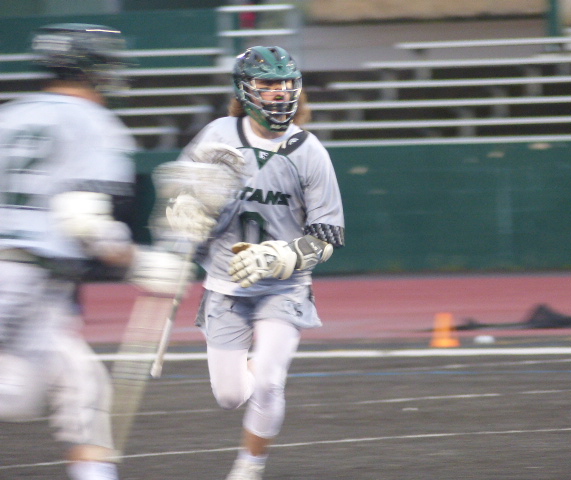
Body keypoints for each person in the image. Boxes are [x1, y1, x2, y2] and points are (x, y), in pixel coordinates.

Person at [0, 23, 186, 480]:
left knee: (78, 388)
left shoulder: (10, 115)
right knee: (49, 394)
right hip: (26, 279)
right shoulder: (92, 122)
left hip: (29, 279)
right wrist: (143, 263)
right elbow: (83, 221)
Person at [174, 46, 345, 480]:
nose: (280, 92)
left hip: (284, 286)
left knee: (268, 382)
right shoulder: (217, 135)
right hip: (225, 284)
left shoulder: (309, 151)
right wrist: (187, 212)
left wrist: (284, 255)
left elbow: (328, 237)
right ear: (245, 90)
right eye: (268, 84)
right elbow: (181, 202)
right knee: (230, 396)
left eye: (286, 83)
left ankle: (249, 468)